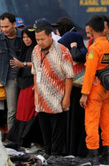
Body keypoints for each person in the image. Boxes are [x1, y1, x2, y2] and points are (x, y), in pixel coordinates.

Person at [31, 25, 74, 157]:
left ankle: (56, 155)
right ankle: (47, 152)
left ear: (50, 36)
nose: (40, 42)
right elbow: (34, 72)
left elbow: (69, 76)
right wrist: (36, 93)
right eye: (37, 39)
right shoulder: (36, 50)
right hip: (42, 98)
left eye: (42, 39)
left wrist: (67, 98)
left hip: (57, 98)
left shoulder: (63, 51)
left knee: (58, 131)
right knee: (45, 130)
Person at [79, 15, 109, 165]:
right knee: (107, 122)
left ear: (92, 30)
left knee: (92, 121)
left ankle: (92, 154)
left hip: (95, 88)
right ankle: (108, 154)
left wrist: (84, 93)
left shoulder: (95, 48)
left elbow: (90, 72)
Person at [0, 12, 23, 132]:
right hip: (9, 79)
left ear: (14, 24)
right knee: (12, 110)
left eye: (6, 26)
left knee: (25, 110)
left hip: (25, 77)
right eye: (2, 26)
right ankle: (12, 139)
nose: (3, 29)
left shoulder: (23, 36)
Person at [7, 26, 42, 148]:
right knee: (21, 112)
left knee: (27, 112)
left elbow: (39, 64)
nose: (26, 40)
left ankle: (25, 139)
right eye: (23, 37)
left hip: (31, 84)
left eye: (28, 37)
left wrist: (23, 64)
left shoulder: (36, 49)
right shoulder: (24, 49)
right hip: (23, 83)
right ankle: (19, 139)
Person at [58, 31, 88, 157]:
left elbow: (77, 56)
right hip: (70, 92)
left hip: (79, 93)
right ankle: (70, 149)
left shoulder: (82, 53)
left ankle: (78, 150)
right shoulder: (67, 55)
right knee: (69, 123)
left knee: (78, 123)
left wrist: (74, 47)